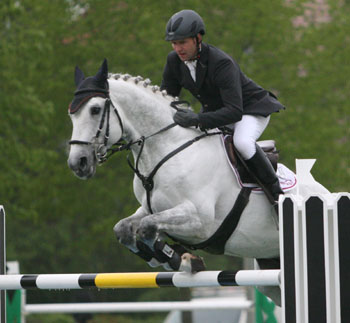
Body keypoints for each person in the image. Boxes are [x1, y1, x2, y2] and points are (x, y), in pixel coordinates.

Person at [160, 9, 285, 203]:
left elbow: (235, 111)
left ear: (198, 38)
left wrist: (197, 119)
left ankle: (277, 196)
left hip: (249, 110)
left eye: (183, 42)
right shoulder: (174, 61)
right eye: (174, 43)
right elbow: (167, 98)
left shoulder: (221, 63)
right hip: (219, 112)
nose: (178, 49)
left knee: (242, 142)